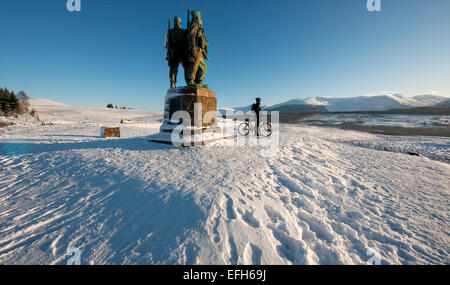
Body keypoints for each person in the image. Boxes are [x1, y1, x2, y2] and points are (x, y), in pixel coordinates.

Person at [186, 10, 209, 88]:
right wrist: (193, 48)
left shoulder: (199, 27)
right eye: (199, 17)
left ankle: (199, 81)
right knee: (194, 65)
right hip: (195, 49)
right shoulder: (194, 24)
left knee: (203, 67)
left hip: (200, 50)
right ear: (197, 17)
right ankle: (190, 81)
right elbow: (191, 35)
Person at [166, 16, 187, 88]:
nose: (177, 23)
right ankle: (172, 82)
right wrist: (168, 54)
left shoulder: (184, 32)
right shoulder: (169, 32)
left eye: (178, 22)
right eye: (175, 22)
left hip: (183, 52)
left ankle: (189, 82)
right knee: (173, 69)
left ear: (180, 23)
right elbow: (167, 45)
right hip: (174, 52)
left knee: (187, 68)